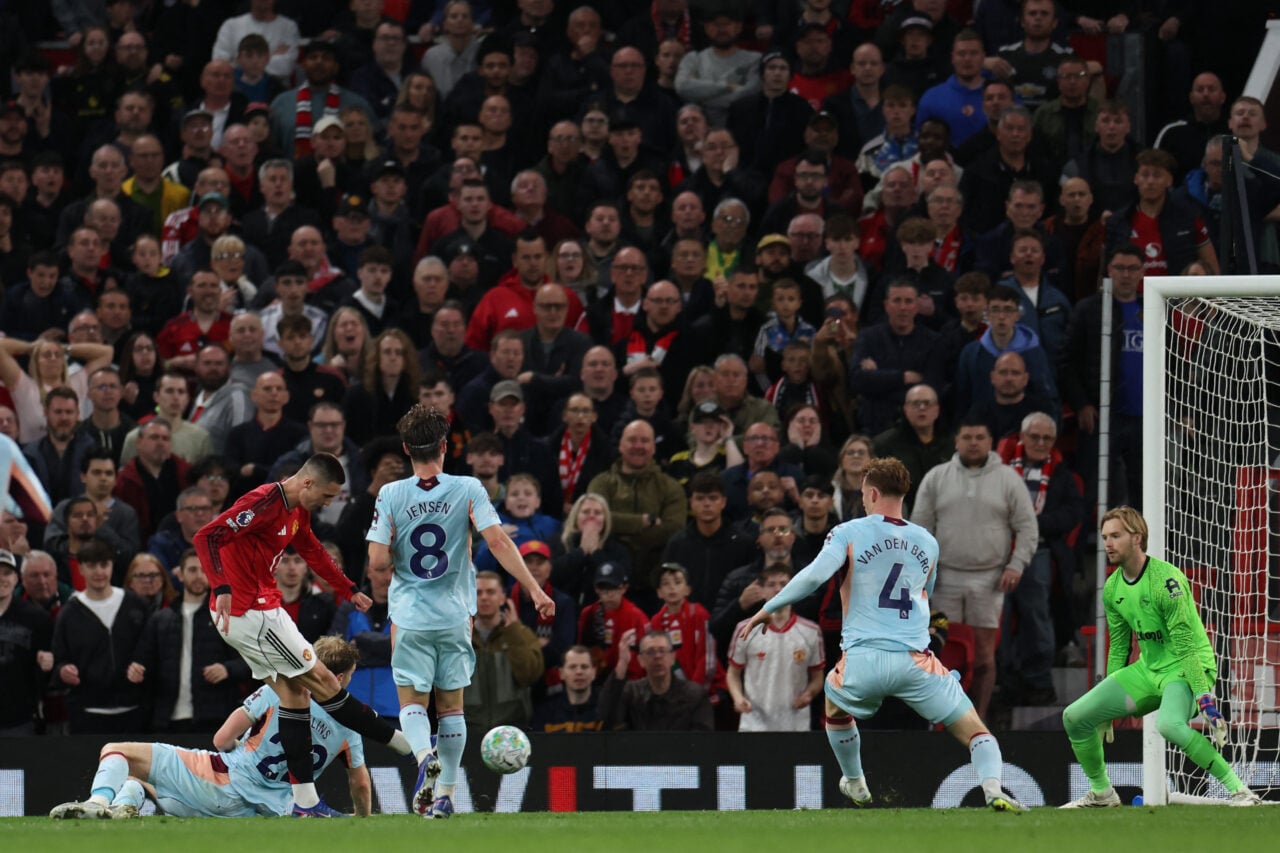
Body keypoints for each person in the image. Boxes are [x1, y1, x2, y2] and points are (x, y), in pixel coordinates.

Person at [738, 456, 1027, 811]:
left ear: (873, 493)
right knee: (976, 730)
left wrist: (769, 607)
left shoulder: (847, 532)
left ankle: (855, 781)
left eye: (863, 493)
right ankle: (993, 788)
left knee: (834, 704)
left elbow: (814, 576)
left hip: (863, 659)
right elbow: (925, 593)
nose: (862, 500)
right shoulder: (927, 541)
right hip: (916, 662)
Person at [193, 452, 412, 818]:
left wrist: (347, 588)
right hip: (250, 612)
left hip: (262, 609)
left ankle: (306, 804)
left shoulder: (297, 510)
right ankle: (411, 748)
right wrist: (222, 587)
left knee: (295, 696)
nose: (327, 504)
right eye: (326, 496)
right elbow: (207, 536)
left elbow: (311, 549)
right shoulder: (263, 502)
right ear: (307, 483)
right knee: (324, 681)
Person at [365, 404, 553, 820]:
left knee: (413, 702)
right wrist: (534, 588)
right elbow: (498, 543)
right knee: (452, 708)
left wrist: (396, 550)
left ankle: (423, 757)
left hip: (409, 616)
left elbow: (377, 563)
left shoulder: (391, 494)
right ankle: (446, 793)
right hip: (454, 614)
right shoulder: (468, 488)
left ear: (405, 448)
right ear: (445, 446)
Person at [1060, 507, 1263, 807]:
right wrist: (1107, 707)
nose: (1108, 544)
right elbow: (1119, 647)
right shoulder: (1112, 588)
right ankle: (1102, 793)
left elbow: (1185, 644)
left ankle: (1240, 790)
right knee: (1074, 717)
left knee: (1168, 725)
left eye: (1115, 536)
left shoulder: (1166, 581)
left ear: (1137, 538)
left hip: (1186, 667)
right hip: (1148, 670)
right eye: (1104, 537)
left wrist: (1204, 698)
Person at [49, 636, 372, 820]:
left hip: (220, 784)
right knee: (138, 779)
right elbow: (359, 783)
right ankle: (125, 806)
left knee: (117, 752)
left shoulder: (280, 690)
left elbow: (222, 739)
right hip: (270, 810)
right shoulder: (352, 722)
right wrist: (362, 818)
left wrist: (243, 752)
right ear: (340, 677)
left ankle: (98, 803)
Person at [911, 418, 1038, 719]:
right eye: (967, 437)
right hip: (945, 579)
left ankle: (977, 722)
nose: (973, 443)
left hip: (990, 578)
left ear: (990, 442)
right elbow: (919, 529)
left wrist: (1016, 565)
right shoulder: (936, 477)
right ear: (956, 441)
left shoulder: (1008, 479)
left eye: (980, 437)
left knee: (983, 656)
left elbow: (1027, 527)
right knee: (943, 654)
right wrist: (922, 571)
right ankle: (945, 720)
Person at [129, 549, 250, 733]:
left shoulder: (228, 617)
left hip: (215, 717)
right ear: (180, 574)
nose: (199, 576)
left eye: (204, 570)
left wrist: (227, 669)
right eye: (192, 570)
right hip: (167, 719)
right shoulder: (161, 619)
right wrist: (137, 670)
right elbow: (143, 662)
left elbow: (251, 662)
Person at [51, 538, 150, 734]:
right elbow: (59, 658)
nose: (99, 572)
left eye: (104, 565)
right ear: (81, 568)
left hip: (134, 710)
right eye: (91, 565)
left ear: (112, 565)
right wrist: (63, 670)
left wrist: (141, 665)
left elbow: (150, 649)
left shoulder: (135, 604)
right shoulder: (69, 613)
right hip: (87, 714)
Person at [728, 564, 824, 731]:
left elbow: (817, 677)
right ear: (761, 590)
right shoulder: (745, 629)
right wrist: (738, 698)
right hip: (754, 724)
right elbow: (733, 673)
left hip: (795, 725)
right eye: (771, 584)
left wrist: (809, 694)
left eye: (784, 584)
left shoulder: (811, 632)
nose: (778, 589)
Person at [465, 571, 546, 738]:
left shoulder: (521, 634)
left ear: (502, 598)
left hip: (512, 732)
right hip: (468, 731)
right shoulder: (460, 637)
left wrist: (513, 633)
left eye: (491, 592)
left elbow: (530, 675)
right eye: (478, 593)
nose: (484, 598)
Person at [599, 629, 714, 731]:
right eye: (650, 652)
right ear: (640, 661)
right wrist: (622, 664)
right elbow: (606, 717)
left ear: (673, 657)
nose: (657, 656)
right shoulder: (632, 692)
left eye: (662, 651)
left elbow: (702, 740)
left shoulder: (695, 695)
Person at [0, 548, 53, 736]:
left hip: (20, 720)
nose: (2, 579)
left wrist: (47, 664)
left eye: (7, 573)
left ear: (16, 578)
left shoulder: (37, 618)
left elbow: (48, 672)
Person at [530, 645, 604, 733]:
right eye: (572, 667)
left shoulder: (606, 709)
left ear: (593, 672)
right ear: (561, 673)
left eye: (584, 667)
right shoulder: (545, 713)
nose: (579, 672)